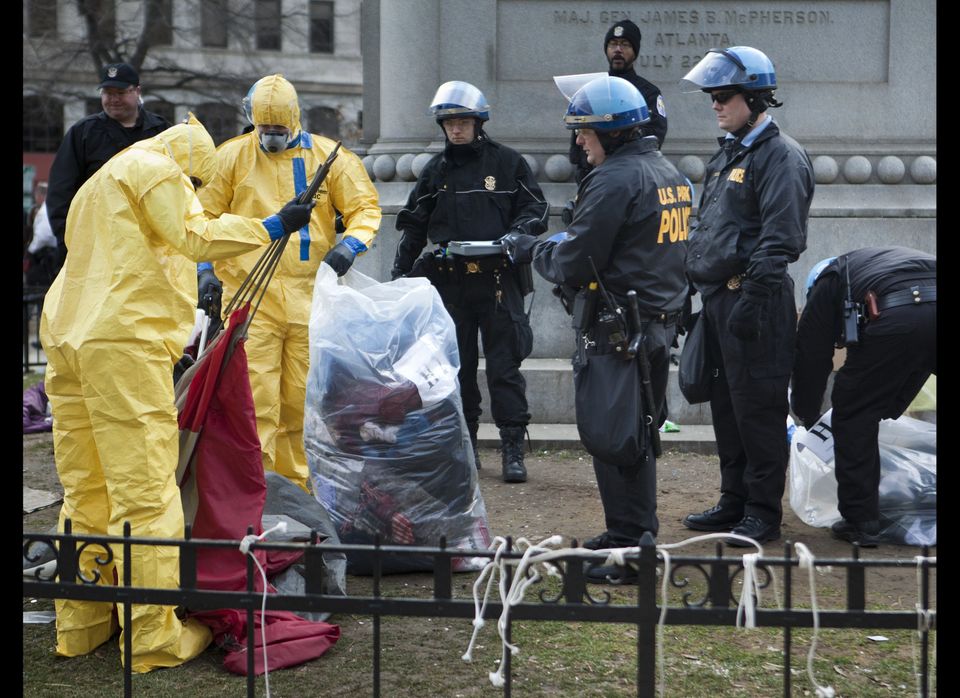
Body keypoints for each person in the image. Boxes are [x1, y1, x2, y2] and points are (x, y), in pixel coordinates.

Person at [39, 113, 314, 672]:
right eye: (194, 185)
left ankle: (83, 624)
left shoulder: (102, 179)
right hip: (123, 339)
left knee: (85, 488)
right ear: (188, 163)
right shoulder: (156, 169)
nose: (191, 194)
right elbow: (194, 236)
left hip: (69, 335)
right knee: (144, 491)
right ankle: (150, 637)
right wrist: (272, 226)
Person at [504, 75, 688, 580]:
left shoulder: (616, 179)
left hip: (618, 329)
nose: (580, 141)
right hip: (650, 323)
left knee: (614, 435)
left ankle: (632, 551)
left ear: (613, 130)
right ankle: (631, 532)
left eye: (586, 131)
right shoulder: (664, 170)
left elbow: (575, 262)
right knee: (637, 432)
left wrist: (534, 249)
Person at [199, 74, 381, 492]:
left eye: (279, 130)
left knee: (301, 402)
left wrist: (351, 245)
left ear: (294, 121)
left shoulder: (328, 157)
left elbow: (364, 207)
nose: (272, 138)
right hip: (251, 295)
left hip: (308, 295)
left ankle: (297, 491)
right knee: (256, 401)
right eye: (265, 130)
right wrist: (204, 270)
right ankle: (257, 491)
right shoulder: (231, 159)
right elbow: (200, 220)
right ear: (253, 121)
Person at [678, 47, 814, 546]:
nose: (714, 103)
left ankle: (762, 512)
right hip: (718, 301)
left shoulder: (780, 155)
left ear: (754, 97)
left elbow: (781, 239)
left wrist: (752, 303)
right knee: (726, 408)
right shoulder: (731, 151)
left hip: (754, 302)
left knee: (756, 410)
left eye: (723, 95)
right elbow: (708, 229)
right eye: (712, 95)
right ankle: (733, 499)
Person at [390, 80, 548, 484]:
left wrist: (517, 235)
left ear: (479, 122)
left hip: (499, 282)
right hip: (450, 285)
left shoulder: (508, 163)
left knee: (504, 369)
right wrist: (400, 276)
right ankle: (466, 446)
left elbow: (534, 209)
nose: (456, 130)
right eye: (448, 123)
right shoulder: (435, 172)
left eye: (463, 121)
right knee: (455, 371)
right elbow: (413, 226)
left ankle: (513, 450)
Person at [791, 247, 936, 546]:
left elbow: (812, 356)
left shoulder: (828, 281)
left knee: (852, 411)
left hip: (897, 315)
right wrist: (890, 405)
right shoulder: (875, 267)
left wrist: (806, 412)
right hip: (918, 305)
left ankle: (861, 522)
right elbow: (917, 357)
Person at [46, 62, 172, 275]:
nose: (113, 99)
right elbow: (60, 192)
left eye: (121, 92)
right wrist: (70, 242)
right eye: (107, 92)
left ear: (137, 92)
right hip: (96, 248)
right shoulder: (83, 133)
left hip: (153, 249)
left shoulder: (162, 132)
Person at [568, 19, 668, 184]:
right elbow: (579, 133)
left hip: (629, 177)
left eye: (625, 44)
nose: (618, 50)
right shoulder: (593, 89)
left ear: (635, 51)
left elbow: (654, 137)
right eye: (613, 44)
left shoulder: (648, 92)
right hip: (592, 176)